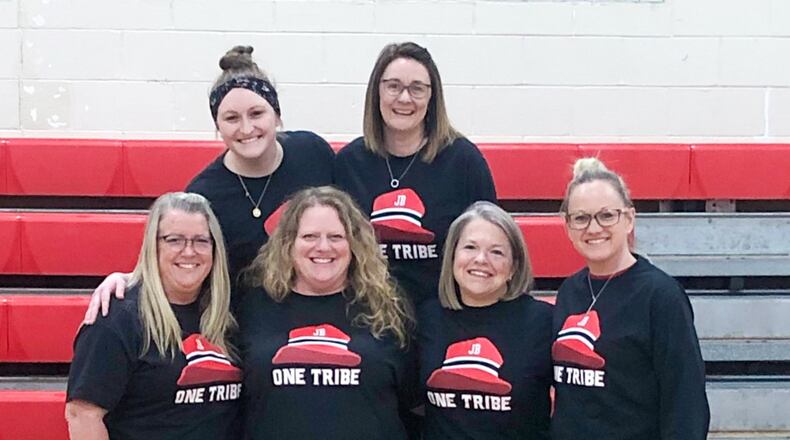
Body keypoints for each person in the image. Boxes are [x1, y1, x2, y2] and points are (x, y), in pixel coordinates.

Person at [84, 45, 334, 321]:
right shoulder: (204, 194)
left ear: (276, 114)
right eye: (231, 118)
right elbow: (179, 259)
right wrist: (126, 278)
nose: (246, 128)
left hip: (321, 309)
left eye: (256, 114)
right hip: (246, 327)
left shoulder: (314, 154)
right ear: (217, 125)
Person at [238, 186, 416, 439]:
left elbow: (413, 399)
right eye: (309, 236)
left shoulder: (388, 305)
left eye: (335, 237)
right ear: (289, 243)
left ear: (354, 244)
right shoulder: (255, 306)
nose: (323, 247)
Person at [551, 158, 710, 439]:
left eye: (607, 215)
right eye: (581, 218)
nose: (594, 228)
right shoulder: (569, 292)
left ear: (629, 219)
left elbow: (686, 401)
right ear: (567, 227)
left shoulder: (660, 296)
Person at [66, 192, 242, 439]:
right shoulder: (117, 318)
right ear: (153, 245)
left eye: (201, 241)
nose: (189, 252)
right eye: (174, 240)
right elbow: (83, 414)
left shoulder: (228, 315)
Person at [334, 42, 497, 307]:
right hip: (368, 312)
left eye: (417, 89)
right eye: (394, 86)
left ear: (433, 97)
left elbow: (492, 241)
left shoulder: (463, 160)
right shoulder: (349, 163)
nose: (405, 98)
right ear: (377, 91)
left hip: (444, 311)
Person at [418, 201, 552, 439]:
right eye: (470, 247)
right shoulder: (427, 319)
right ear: (452, 256)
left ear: (513, 267)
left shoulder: (543, 322)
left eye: (496, 252)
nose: (481, 259)